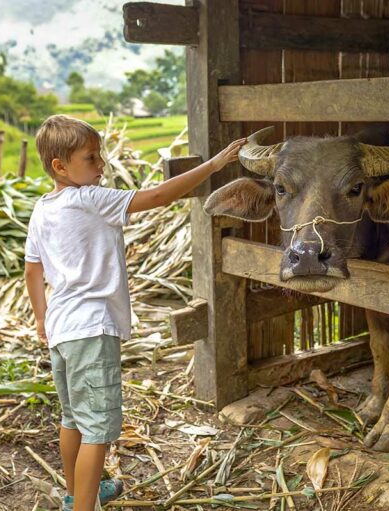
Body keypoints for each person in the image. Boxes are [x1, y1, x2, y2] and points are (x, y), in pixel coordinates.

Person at [24, 114, 245, 511]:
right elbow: (157, 197)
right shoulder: (90, 200)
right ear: (60, 166)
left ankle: (77, 495)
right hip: (92, 330)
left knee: (73, 419)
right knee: (97, 431)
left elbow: (32, 270)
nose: (101, 164)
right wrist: (213, 165)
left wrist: (41, 319)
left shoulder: (42, 209)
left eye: (100, 155)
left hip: (62, 330)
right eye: (91, 158)